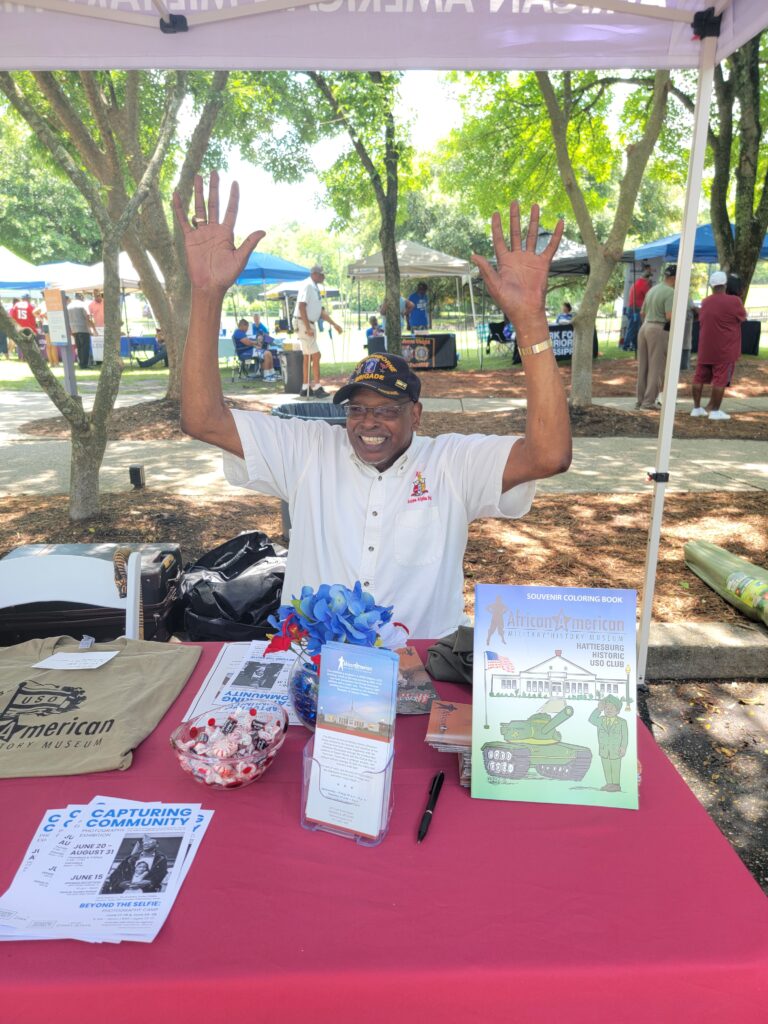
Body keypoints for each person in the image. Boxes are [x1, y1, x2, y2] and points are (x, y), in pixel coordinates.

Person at [174, 172, 571, 639]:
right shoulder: (308, 449)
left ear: (415, 416)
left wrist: (529, 321)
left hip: (419, 675)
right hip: (312, 672)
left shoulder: (452, 463)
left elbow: (548, 456)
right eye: (358, 409)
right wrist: (206, 293)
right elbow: (201, 419)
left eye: (386, 410)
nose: (369, 424)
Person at [690, 270, 747, 421]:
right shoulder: (735, 301)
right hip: (724, 349)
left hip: (705, 348)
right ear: (725, 285)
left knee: (699, 378)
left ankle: (696, 408)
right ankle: (715, 411)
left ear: (712, 285)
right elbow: (743, 317)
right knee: (720, 380)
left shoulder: (705, 301)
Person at [293, 264, 341, 398]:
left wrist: (334, 324)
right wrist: (307, 327)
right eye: (321, 274)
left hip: (308, 323)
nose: (323, 277)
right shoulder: (308, 285)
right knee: (316, 355)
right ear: (314, 274)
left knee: (308, 356)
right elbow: (301, 306)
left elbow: (320, 312)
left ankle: (305, 387)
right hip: (304, 323)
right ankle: (317, 386)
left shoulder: (314, 288)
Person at [636, 264, 676, 410]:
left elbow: (642, 313)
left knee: (644, 367)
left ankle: (640, 400)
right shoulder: (671, 292)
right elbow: (670, 316)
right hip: (658, 328)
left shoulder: (653, 289)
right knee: (656, 367)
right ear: (674, 277)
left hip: (645, 327)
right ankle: (648, 402)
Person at [103, 836, 168, 894]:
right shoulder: (129, 858)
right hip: (124, 892)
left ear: (157, 845)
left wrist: (149, 882)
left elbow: (162, 874)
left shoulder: (161, 859)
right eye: (145, 842)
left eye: (150, 842)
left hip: (147, 892)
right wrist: (121, 883)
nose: (146, 843)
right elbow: (116, 874)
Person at [622, 264, 653, 352]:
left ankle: (635, 345)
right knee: (633, 328)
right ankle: (626, 345)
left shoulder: (638, 282)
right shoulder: (644, 284)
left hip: (632, 308)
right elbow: (649, 296)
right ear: (648, 278)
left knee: (635, 328)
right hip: (636, 309)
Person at [65, 292, 96, 369]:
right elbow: (87, 317)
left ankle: (81, 363)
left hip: (74, 329)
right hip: (83, 328)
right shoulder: (83, 305)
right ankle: (84, 364)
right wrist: (92, 329)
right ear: (82, 297)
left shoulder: (69, 306)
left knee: (79, 347)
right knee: (85, 347)